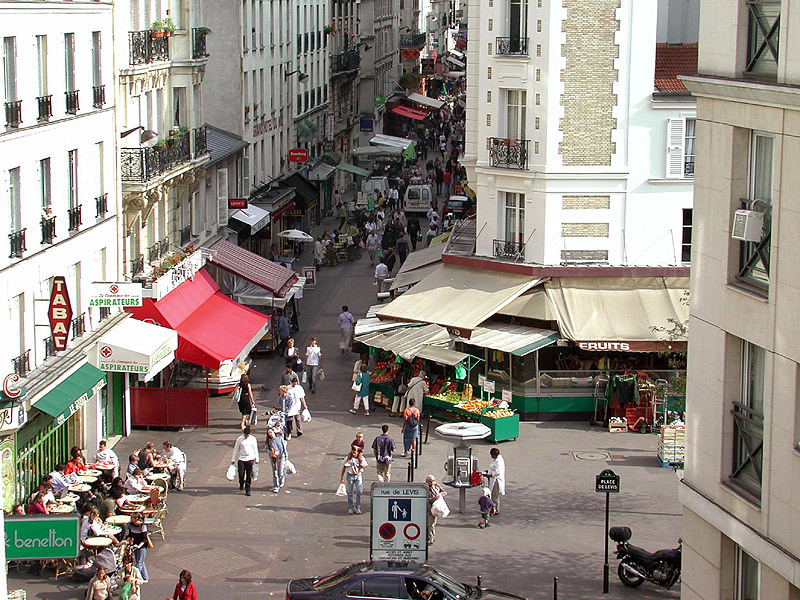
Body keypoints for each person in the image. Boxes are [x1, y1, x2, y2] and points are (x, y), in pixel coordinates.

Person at [231, 425, 259, 496]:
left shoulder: (253, 439)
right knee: (241, 473)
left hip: (250, 458)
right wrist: (233, 459)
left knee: (249, 475)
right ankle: (241, 483)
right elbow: (236, 449)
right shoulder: (240, 439)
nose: (246, 436)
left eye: (248, 435)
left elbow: (255, 449)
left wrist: (257, 458)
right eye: (245, 435)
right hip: (242, 459)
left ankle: (248, 489)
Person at [339, 447, 368, 514]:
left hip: (358, 475)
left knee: (360, 491)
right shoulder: (348, 458)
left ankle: (358, 507)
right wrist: (341, 478)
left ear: (358, 452)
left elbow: (365, 465)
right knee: (350, 492)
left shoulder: (361, 458)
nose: (354, 453)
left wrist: (362, 466)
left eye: (355, 451)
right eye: (353, 451)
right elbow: (344, 467)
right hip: (350, 475)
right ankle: (351, 507)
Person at [128, 512, 151, 583]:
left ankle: (135, 577)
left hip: (142, 547)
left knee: (139, 563)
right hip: (135, 546)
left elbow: (144, 539)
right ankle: (145, 577)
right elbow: (130, 535)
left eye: (133, 518)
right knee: (140, 561)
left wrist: (139, 546)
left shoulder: (142, 526)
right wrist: (129, 540)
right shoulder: (131, 525)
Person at [484, 447, 506, 515]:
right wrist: (488, 471)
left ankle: (495, 509)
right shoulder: (496, 460)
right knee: (492, 494)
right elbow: (494, 468)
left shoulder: (498, 461)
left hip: (496, 480)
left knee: (494, 495)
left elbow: (498, 472)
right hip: (493, 479)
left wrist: (490, 475)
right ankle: (493, 508)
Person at [426, 474, 446, 544]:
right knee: (430, 523)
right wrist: (435, 497)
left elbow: (444, 492)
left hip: (436, 508)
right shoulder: (426, 489)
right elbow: (428, 499)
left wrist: (440, 495)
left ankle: (431, 537)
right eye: (432, 481)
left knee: (432, 523)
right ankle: (430, 537)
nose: (433, 482)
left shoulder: (436, 486)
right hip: (429, 508)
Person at [266, 426, 287, 493]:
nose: (270, 434)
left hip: (281, 456)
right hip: (273, 458)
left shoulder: (280, 439)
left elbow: (284, 448)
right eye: (269, 433)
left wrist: (286, 456)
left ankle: (281, 480)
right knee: (275, 472)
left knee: (280, 472)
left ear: (274, 432)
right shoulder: (269, 441)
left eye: (271, 432)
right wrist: (271, 452)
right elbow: (266, 449)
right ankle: (276, 486)